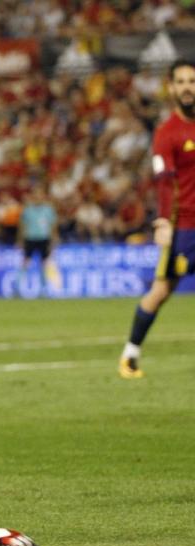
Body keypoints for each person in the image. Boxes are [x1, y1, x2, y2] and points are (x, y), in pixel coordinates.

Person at [119, 60, 195, 378]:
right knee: (161, 291)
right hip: (185, 227)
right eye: (181, 82)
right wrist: (164, 222)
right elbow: (164, 181)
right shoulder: (167, 133)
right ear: (171, 88)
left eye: (192, 80)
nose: (188, 87)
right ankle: (130, 355)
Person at [15, 186, 60, 297]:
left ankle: (43, 290)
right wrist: (20, 240)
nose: (38, 197)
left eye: (40, 195)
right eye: (36, 195)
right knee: (25, 263)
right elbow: (22, 226)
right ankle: (17, 288)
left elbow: (53, 226)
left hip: (44, 239)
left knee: (44, 264)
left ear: (43, 197)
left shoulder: (48, 210)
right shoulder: (28, 210)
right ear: (33, 197)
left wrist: (54, 239)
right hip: (30, 238)